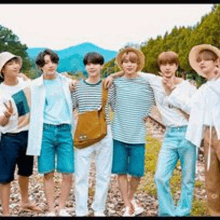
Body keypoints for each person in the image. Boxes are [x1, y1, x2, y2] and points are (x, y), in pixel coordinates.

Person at [105, 51, 197, 216]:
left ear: (177, 66)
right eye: (164, 64)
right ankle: (167, 212)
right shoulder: (154, 80)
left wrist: (171, 92)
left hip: (187, 133)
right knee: (160, 177)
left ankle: (183, 212)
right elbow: (130, 69)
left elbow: (194, 111)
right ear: (160, 67)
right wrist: (112, 75)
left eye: (171, 64)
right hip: (169, 135)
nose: (167, 68)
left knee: (188, 179)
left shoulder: (187, 86)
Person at [26, 49, 74, 216]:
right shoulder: (34, 85)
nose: (50, 65)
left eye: (53, 61)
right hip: (45, 131)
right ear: (40, 66)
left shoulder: (68, 83)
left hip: (64, 130)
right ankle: (52, 210)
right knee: (47, 172)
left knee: (67, 172)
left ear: (57, 63)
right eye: (46, 63)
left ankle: (62, 207)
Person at [108, 47, 155, 216]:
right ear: (121, 64)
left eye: (132, 62)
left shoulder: (146, 83)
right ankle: (128, 204)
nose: (129, 65)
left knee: (136, 172)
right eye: (125, 61)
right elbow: (112, 104)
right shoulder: (115, 83)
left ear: (138, 64)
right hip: (119, 133)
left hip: (138, 135)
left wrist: (146, 113)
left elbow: (152, 101)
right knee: (120, 171)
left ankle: (130, 197)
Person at [71, 52, 115, 217]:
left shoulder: (109, 85)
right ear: (85, 66)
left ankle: (99, 209)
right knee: (81, 174)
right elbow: (72, 107)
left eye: (96, 63)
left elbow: (116, 106)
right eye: (89, 64)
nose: (92, 67)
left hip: (105, 132)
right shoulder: (77, 87)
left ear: (101, 66)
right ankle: (81, 210)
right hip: (84, 133)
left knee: (103, 173)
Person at [0, 51, 41, 216]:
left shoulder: (26, 84)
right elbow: (1, 122)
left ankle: (25, 202)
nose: (15, 65)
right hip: (9, 138)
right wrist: (7, 115)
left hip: (28, 135)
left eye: (16, 62)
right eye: (10, 64)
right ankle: (7, 211)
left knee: (25, 171)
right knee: (5, 177)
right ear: (2, 69)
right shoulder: (1, 91)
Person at [186, 44, 220, 216]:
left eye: (207, 59)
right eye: (199, 61)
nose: (202, 63)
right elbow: (189, 106)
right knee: (211, 180)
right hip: (209, 133)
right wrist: (170, 89)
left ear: (216, 62)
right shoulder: (203, 89)